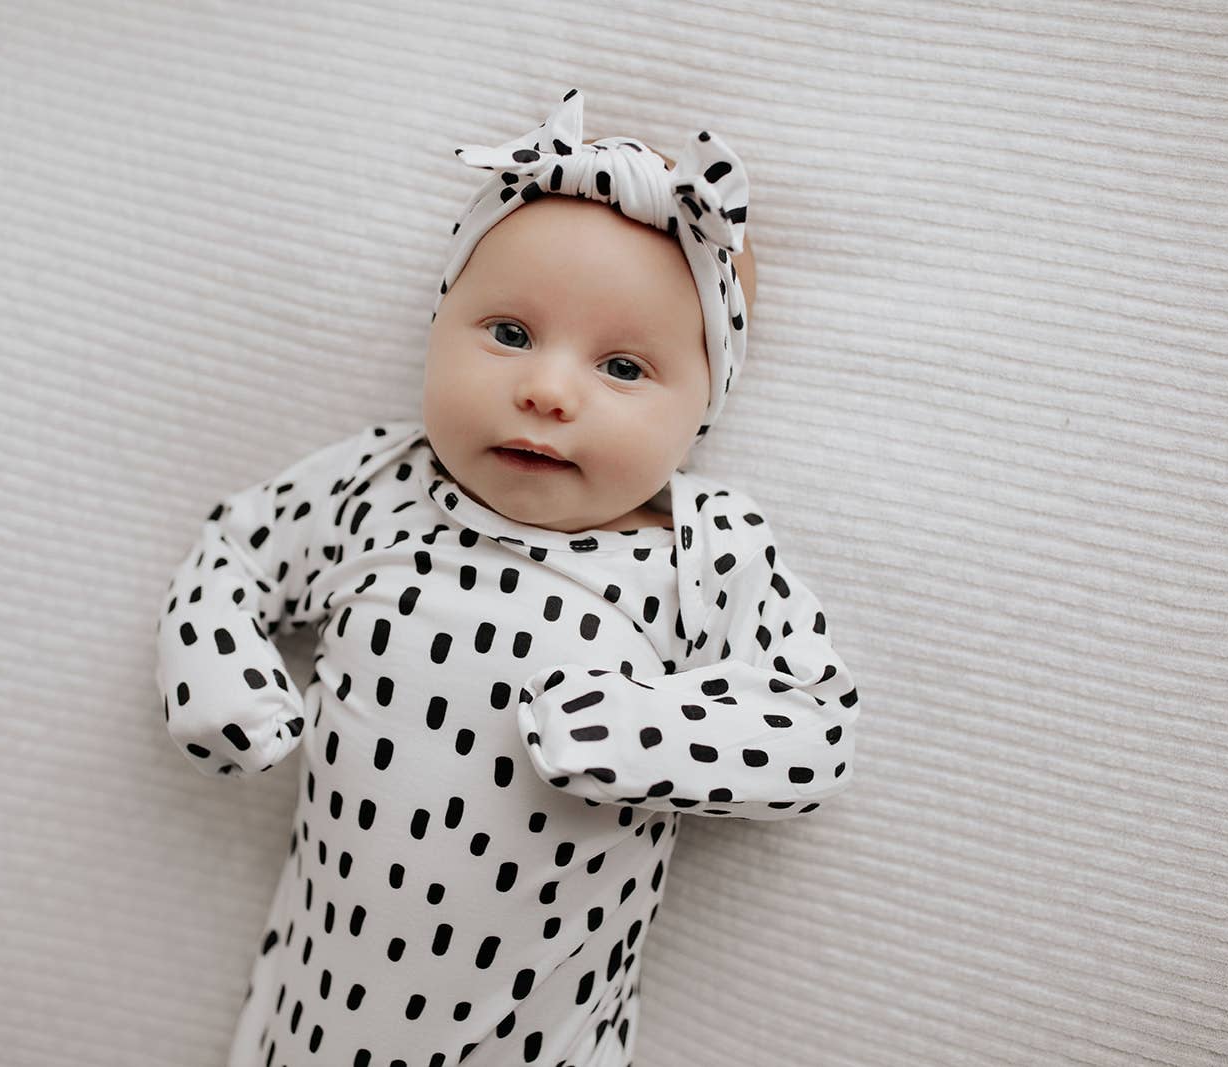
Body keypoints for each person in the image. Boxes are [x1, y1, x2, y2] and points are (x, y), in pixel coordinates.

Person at [154, 88, 862, 1067]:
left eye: (623, 367)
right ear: (440, 323)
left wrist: (638, 730)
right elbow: (235, 553)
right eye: (511, 334)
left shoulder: (705, 548)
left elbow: (814, 726)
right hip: (312, 1016)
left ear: (702, 410)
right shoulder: (378, 484)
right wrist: (217, 669)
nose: (547, 389)